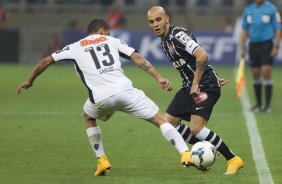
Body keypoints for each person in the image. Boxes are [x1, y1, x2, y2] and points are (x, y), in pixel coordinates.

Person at [17, 19, 192, 176]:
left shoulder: (75, 46)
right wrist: (158, 77)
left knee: (88, 117)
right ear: (102, 31)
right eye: (107, 33)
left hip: (101, 98)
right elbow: (138, 58)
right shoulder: (112, 40)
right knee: (160, 119)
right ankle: (185, 153)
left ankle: (102, 160)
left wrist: (29, 80)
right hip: (126, 91)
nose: (107, 35)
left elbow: (46, 61)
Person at [147, 6, 244, 175]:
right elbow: (193, 62)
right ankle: (213, 146)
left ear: (167, 19)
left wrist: (199, 81)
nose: (155, 24)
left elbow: (202, 55)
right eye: (151, 21)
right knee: (167, 124)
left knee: (196, 129)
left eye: (158, 19)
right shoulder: (164, 41)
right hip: (190, 86)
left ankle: (233, 159)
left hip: (203, 86)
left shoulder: (177, 35)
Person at [240, 0, 281, 113]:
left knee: (266, 71)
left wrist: (276, 46)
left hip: (266, 44)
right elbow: (244, 30)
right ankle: (258, 105)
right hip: (253, 45)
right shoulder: (248, 10)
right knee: (255, 73)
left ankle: (267, 105)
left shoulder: (271, 9)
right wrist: (242, 47)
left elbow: (278, 29)